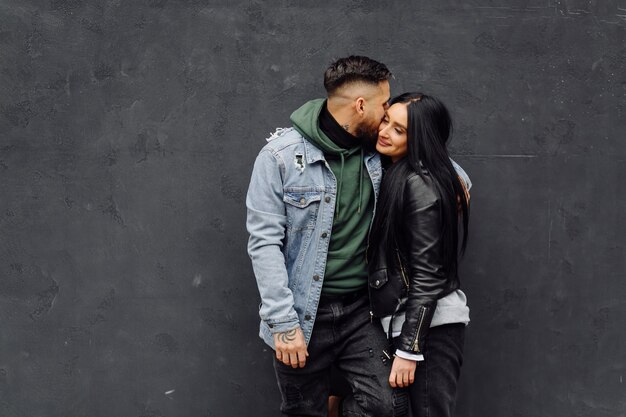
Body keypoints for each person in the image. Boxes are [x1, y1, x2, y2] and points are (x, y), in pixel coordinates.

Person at [246, 56, 407, 417]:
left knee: (385, 406)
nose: (388, 116)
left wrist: (456, 180)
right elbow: (264, 243)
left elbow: (427, 154)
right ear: (361, 105)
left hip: (361, 310)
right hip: (304, 312)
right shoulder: (280, 157)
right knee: (303, 410)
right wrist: (284, 324)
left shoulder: (377, 150)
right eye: (384, 106)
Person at [367, 92, 471, 417]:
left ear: (418, 140)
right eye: (386, 120)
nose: (385, 132)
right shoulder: (395, 173)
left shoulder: (419, 184)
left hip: (431, 328)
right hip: (404, 322)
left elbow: (428, 273)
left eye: (399, 130)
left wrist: (410, 350)